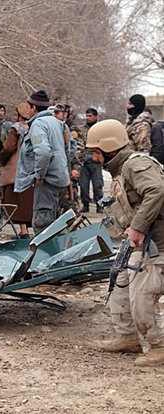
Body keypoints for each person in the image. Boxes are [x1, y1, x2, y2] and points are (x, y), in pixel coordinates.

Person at [87, 119, 164, 367]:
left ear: (109, 148)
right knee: (119, 283)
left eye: (96, 152)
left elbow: (156, 191)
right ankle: (128, 337)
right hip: (139, 244)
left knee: (143, 291)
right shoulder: (121, 170)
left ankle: (158, 346)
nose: (95, 158)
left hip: (158, 244)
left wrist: (138, 227)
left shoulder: (137, 164)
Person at [14, 90, 69, 235]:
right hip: (60, 178)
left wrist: (39, 175)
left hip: (47, 181)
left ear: (34, 108)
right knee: (56, 223)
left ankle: (47, 256)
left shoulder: (38, 124)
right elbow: (70, 147)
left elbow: (43, 151)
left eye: (29, 106)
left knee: (42, 223)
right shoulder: (59, 123)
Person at [0, 103, 33, 238]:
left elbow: (8, 147)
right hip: (34, 169)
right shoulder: (37, 127)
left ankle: (23, 230)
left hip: (18, 168)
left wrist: (3, 158)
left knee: (17, 200)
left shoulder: (16, 129)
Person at [78, 108, 103, 213]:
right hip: (84, 161)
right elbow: (79, 146)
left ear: (95, 117)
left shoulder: (100, 129)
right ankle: (85, 204)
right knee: (83, 185)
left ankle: (99, 205)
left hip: (96, 161)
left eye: (90, 116)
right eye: (86, 116)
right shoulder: (81, 130)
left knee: (97, 185)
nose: (87, 118)